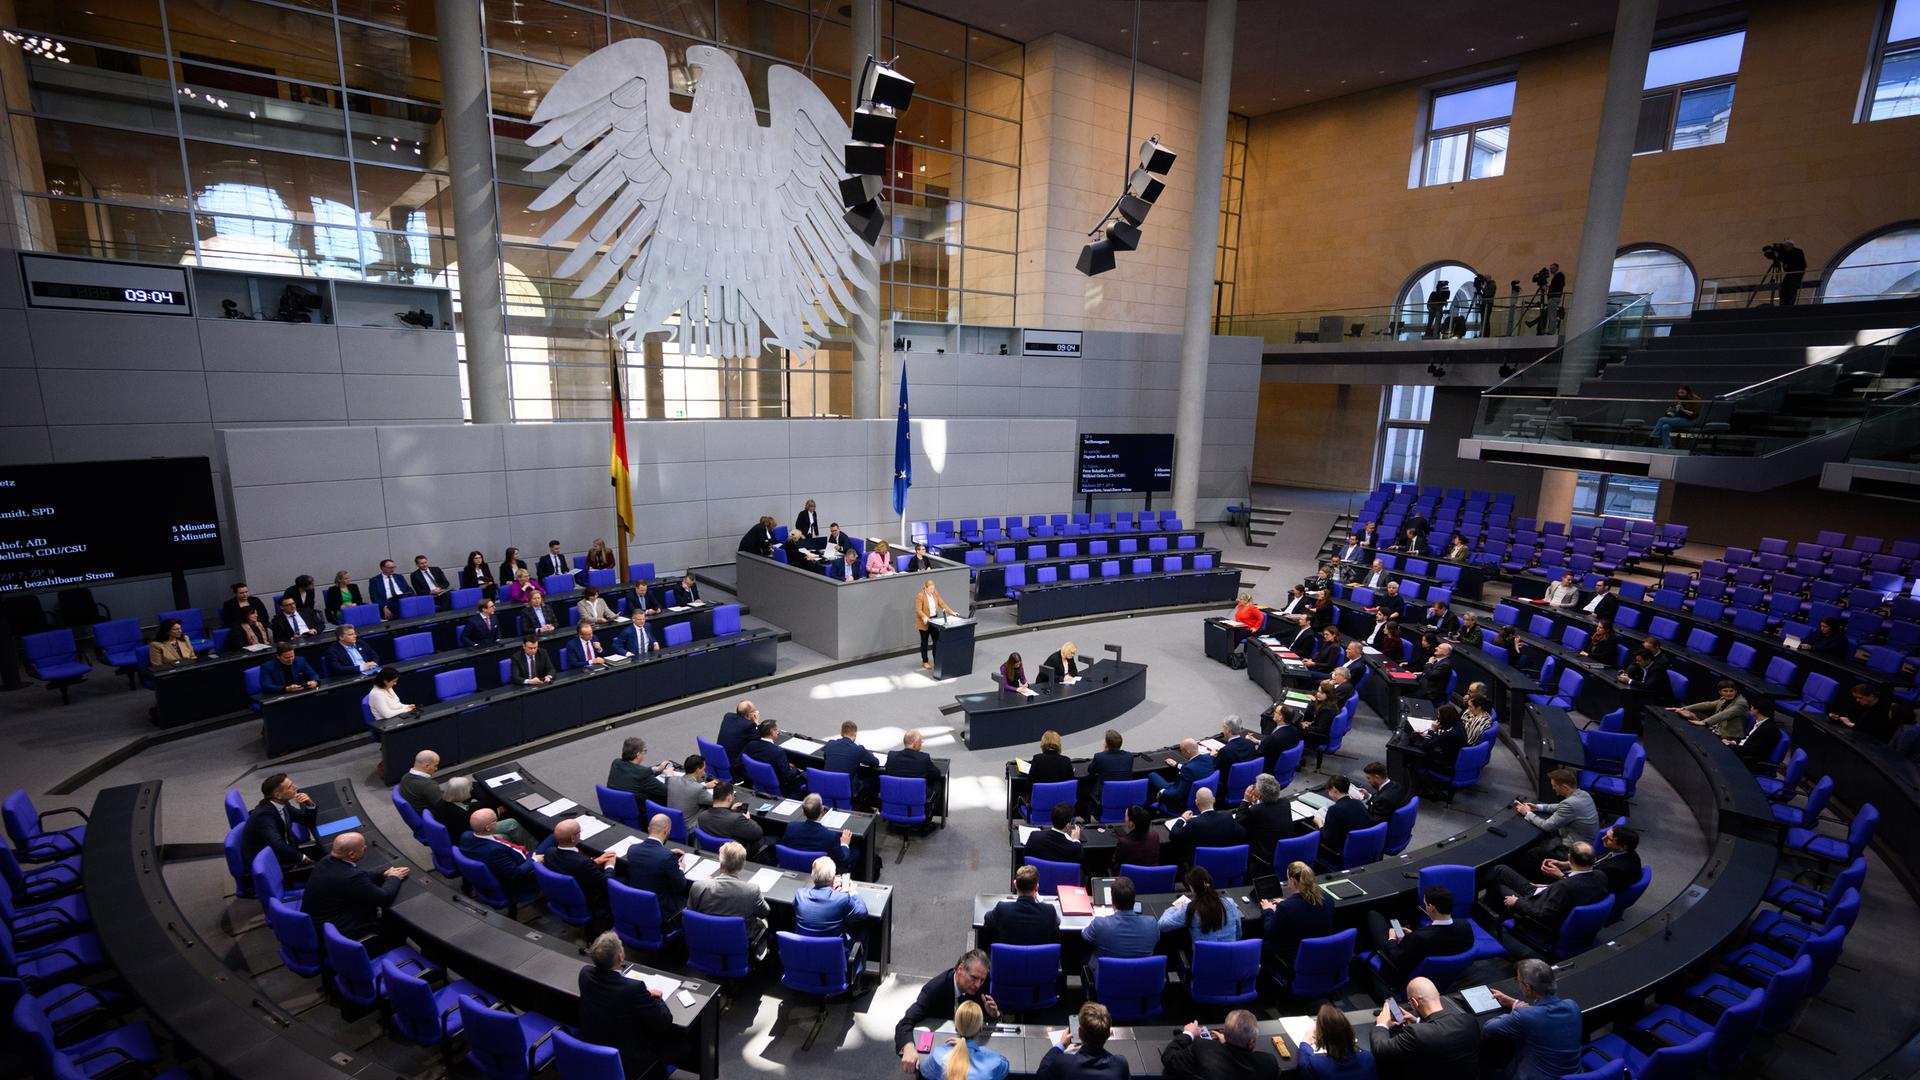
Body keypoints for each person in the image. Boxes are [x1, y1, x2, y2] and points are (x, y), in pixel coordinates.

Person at [578, 932, 678, 1080]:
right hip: (628, 1060)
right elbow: (664, 1021)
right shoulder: (634, 989)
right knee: (678, 1043)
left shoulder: (584, 973)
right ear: (620, 957)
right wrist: (655, 996)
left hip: (593, 1049)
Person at [896, 950, 1000, 1074]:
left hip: (967, 1050)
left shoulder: (979, 985)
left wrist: (994, 1015)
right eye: (974, 978)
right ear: (960, 968)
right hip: (939, 1049)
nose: (978, 984)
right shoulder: (934, 990)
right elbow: (905, 1023)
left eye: (982, 980)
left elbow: (984, 1020)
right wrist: (908, 1047)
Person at [300, 832, 409, 950]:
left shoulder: (326, 861)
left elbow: (362, 875)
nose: (366, 847)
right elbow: (384, 898)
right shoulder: (349, 877)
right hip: (343, 931)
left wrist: (384, 873)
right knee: (398, 925)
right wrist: (395, 877)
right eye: (363, 846)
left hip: (322, 923)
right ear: (351, 854)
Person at [1484, 958, 1581, 1080]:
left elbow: (1488, 1029)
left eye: (1518, 980)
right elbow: (1540, 1015)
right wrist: (1515, 1002)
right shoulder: (1572, 1005)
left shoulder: (1524, 1016)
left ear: (1528, 988)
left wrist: (1516, 1010)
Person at [1368, 977, 1481, 1080]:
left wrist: (1381, 1024)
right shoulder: (1469, 1020)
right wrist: (1418, 1022)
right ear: (1437, 994)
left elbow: (1380, 1050)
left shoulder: (1417, 1033)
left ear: (1414, 1002)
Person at [1363, 885, 1469, 994]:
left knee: (1373, 915)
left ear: (1432, 908)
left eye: (1425, 904)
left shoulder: (1420, 938)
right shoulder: (1465, 926)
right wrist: (1413, 936)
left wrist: (1391, 939)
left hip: (1403, 973)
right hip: (1447, 975)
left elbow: (1397, 958)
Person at [1483, 841, 1609, 930]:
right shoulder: (1600, 875)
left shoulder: (1564, 886)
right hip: (1544, 894)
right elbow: (1578, 886)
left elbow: (1543, 915)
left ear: (1569, 858)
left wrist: (1516, 902)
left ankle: (1484, 919)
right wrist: (1546, 887)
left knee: (1497, 886)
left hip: (1535, 907)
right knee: (1501, 870)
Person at [795, 855, 869, 979]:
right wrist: (852, 891)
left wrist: (830, 891)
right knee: (864, 930)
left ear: (813, 876)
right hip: (833, 957)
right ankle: (856, 977)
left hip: (805, 953)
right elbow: (862, 912)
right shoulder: (841, 899)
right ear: (834, 878)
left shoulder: (800, 895)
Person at [688, 841, 771, 951]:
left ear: (720, 862)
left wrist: (708, 883)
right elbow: (765, 912)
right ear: (742, 865)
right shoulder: (752, 890)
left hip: (705, 942)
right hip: (738, 946)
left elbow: (690, 914)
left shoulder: (699, 886)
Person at [1260, 861, 1333, 976]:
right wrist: (1287, 903)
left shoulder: (1286, 908)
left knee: (1262, 945)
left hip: (1296, 957)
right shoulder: (1327, 897)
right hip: (1322, 953)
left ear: (1293, 881)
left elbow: (1270, 932)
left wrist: (1268, 910)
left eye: (1287, 879)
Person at [1161, 1009, 1278, 1080]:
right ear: (1251, 1043)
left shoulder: (1202, 1049)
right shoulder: (1269, 1064)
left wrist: (1188, 1034)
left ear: (1225, 1034)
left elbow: (1169, 1057)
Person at [460, 808, 543, 904]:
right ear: (488, 828)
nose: (497, 821)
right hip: (523, 874)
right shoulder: (495, 851)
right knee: (551, 838)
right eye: (495, 820)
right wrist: (534, 859)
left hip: (513, 856)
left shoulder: (466, 836)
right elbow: (515, 874)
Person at [1515, 769, 1597, 862]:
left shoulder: (1570, 804)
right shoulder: (1583, 794)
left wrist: (1527, 813)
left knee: (1533, 852)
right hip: (1586, 844)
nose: (1553, 788)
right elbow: (1560, 805)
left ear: (1564, 787)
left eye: (1554, 786)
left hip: (1573, 851)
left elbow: (1547, 826)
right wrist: (1538, 807)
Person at [243, 772, 317, 872]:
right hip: (274, 865)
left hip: (287, 850)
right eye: (290, 787)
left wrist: (309, 803)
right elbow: (277, 845)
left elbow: (306, 820)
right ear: (278, 795)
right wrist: (302, 858)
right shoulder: (264, 816)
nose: (295, 787)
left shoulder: (282, 804)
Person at [919, 999, 1010, 1080]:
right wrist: (967, 1045)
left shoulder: (937, 1056)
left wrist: (963, 1045)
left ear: (956, 1028)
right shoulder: (994, 1062)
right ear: (980, 1029)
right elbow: (1005, 1066)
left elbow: (924, 1070)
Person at [620, 814, 690, 917]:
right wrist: (681, 868)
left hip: (637, 904)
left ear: (649, 829)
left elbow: (650, 857)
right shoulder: (667, 857)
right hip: (661, 910)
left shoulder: (632, 849)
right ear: (666, 830)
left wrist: (666, 853)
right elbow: (680, 886)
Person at [1036, 1001, 1128, 1079]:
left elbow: (1041, 1074)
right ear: (1109, 1034)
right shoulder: (1120, 1065)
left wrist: (1061, 1045)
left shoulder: (1063, 1063)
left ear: (1079, 1033)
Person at [544, 817, 617, 914]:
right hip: (589, 900)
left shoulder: (549, 852)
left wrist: (595, 861)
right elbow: (607, 883)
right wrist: (610, 865)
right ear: (573, 838)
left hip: (565, 895)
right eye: (579, 831)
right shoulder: (582, 863)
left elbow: (571, 866)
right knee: (623, 879)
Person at [1082, 876, 1159, 968]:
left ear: (1112, 901)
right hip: (1141, 978)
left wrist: (1097, 917)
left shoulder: (1099, 924)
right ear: (1134, 901)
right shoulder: (1152, 924)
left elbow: (1084, 934)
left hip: (1107, 978)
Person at [1158, 865, 1242, 943]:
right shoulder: (1230, 902)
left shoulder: (1190, 908)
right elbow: (1238, 933)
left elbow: (1162, 926)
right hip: (1230, 956)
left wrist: (1171, 909)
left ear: (1192, 887)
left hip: (1203, 958)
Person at [985, 864, 1061, 946]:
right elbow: (1057, 922)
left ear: (1015, 885)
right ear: (1037, 888)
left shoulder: (1002, 909)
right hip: (1039, 958)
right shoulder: (1049, 911)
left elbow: (987, 918)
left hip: (1009, 958)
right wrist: (1040, 902)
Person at [1558, 823, 1642, 896]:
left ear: (1623, 847)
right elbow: (1597, 860)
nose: (1603, 839)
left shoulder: (1616, 870)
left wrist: (1561, 876)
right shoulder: (1622, 852)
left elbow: (1587, 887)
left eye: (1609, 839)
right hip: (1587, 875)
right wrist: (1568, 864)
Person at [1169, 787, 1247, 863]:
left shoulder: (1194, 823)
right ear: (1214, 800)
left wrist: (1182, 819)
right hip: (1225, 863)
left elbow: (1174, 835)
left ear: (1196, 802)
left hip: (1202, 870)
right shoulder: (1227, 817)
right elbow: (1243, 833)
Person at [1237, 773, 1293, 877]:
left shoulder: (1256, 810)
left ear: (1259, 795)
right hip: (1285, 851)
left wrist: (1245, 800)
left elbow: (1240, 821)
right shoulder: (1285, 803)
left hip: (1265, 856)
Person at [694, 783, 768, 861]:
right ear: (730, 797)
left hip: (714, 853)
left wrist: (730, 811)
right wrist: (748, 819)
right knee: (768, 840)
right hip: (735, 856)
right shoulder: (736, 819)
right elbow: (758, 833)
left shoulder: (702, 816)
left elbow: (722, 819)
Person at [1298, 1004, 1376, 1079]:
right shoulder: (1368, 1058)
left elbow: (1304, 1065)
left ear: (1322, 1037)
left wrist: (1305, 1042)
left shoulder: (1318, 1065)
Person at [1313, 775, 1372, 870]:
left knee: (1314, 833)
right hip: (1364, 848)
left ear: (1334, 790)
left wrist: (1319, 823)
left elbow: (1326, 837)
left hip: (1342, 852)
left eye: (1329, 790)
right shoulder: (1358, 803)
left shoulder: (1334, 810)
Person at [785, 794, 856, 871]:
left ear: (803, 812)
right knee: (856, 851)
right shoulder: (831, 836)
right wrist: (844, 843)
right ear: (822, 809)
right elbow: (842, 860)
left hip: (795, 868)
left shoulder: (791, 827)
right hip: (820, 872)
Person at [822, 720, 882, 805]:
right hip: (845, 793)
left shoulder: (830, 744)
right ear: (855, 735)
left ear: (841, 733)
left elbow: (825, 757)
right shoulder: (858, 750)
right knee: (870, 779)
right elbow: (876, 763)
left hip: (826, 789)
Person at [743, 717, 806, 796]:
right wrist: (797, 770)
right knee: (805, 776)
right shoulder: (778, 752)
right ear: (772, 732)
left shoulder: (751, 745)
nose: (777, 732)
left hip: (757, 783)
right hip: (780, 787)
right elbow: (787, 775)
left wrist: (786, 764)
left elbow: (764, 759)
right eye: (776, 730)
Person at [1149, 738, 1215, 812]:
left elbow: (1178, 794)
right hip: (1202, 798)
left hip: (1182, 803)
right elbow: (1196, 767)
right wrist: (1177, 765)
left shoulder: (1187, 770)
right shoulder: (1208, 758)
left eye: (1181, 750)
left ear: (1187, 751)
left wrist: (1162, 792)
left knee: (1152, 775)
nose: (1181, 752)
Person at [885, 729, 943, 813]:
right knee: (937, 784)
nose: (921, 744)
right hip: (916, 797)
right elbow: (937, 774)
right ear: (915, 745)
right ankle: (927, 815)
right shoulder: (923, 758)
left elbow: (887, 770)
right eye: (920, 742)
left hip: (895, 795)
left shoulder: (891, 756)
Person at [1670, 679, 1749, 739]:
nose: (1729, 693)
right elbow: (1708, 704)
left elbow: (1725, 714)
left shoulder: (1741, 703)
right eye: (1725, 691)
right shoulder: (1724, 699)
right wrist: (1683, 708)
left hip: (1728, 735)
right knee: (1688, 715)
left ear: (1735, 691)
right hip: (1717, 727)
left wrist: (1704, 722)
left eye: (1731, 691)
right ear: (1720, 692)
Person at [607, 735, 669, 805]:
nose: (645, 753)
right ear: (638, 754)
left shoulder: (616, 762)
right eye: (644, 751)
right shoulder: (642, 774)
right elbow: (666, 791)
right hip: (638, 811)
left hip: (614, 805)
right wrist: (668, 776)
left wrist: (657, 769)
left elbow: (637, 772)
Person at [1729, 700, 1788, 771]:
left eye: (1751, 707)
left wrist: (1731, 747)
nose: (1750, 709)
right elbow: (1747, 738)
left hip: (1750, 761)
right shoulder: (1758, 721)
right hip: (1744, 751)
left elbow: (1754, 750)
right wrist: (1734, 742)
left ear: (1757, 710)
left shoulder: (1768, 729)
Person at [1830, 682, 1898, 743]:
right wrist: (1838, 718)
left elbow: (1873, 731)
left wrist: (1850, 724)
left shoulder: (1884, 709)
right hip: (1856, 734)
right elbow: (1849, 716)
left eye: (1860, 697)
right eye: (1856, 697)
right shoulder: (1861, 703)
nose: (1857, 700)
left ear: (1871, 696)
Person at [916, 578, 959, 670]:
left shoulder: (935, 593)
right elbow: (918, 610)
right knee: (924, 642)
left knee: (936, 640)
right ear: (926, 588)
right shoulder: (920, 596)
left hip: (934, 620)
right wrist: (924, 617)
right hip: (924, 621)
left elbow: (942, 604)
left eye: (933, 588)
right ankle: (925, 661)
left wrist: (951, 612)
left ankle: (936, 659)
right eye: (931, 589)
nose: (933, 590)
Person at [665, 753, 717, 818]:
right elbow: (716, 801)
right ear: (698, 770)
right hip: (690, 825)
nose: (704, 773)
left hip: (671, 820)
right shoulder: (699, 789)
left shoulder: (671, 780)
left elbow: (687, 788)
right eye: (703, 769)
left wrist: (705, 785)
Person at [1362, 761, 1409, 826]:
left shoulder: (1384, 798)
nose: (1367, 781)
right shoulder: (1396, 785)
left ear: (1377, 778)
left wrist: (1359, 809)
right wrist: (1368, 797)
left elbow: (1374, 823)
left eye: (1368, 778)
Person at [1775, 239, 1807, 305]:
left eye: (1786, 246)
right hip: (1790, 274)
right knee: (1783, 288)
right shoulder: (1788, 253)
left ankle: (1790, 304)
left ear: (1791, 245)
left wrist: (1781, 254)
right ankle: (1783, 304)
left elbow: (1789, 260)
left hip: (1796, 273)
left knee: (1792, 289)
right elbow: (1785, 260)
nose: (1785, 248)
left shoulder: (1797, 252)